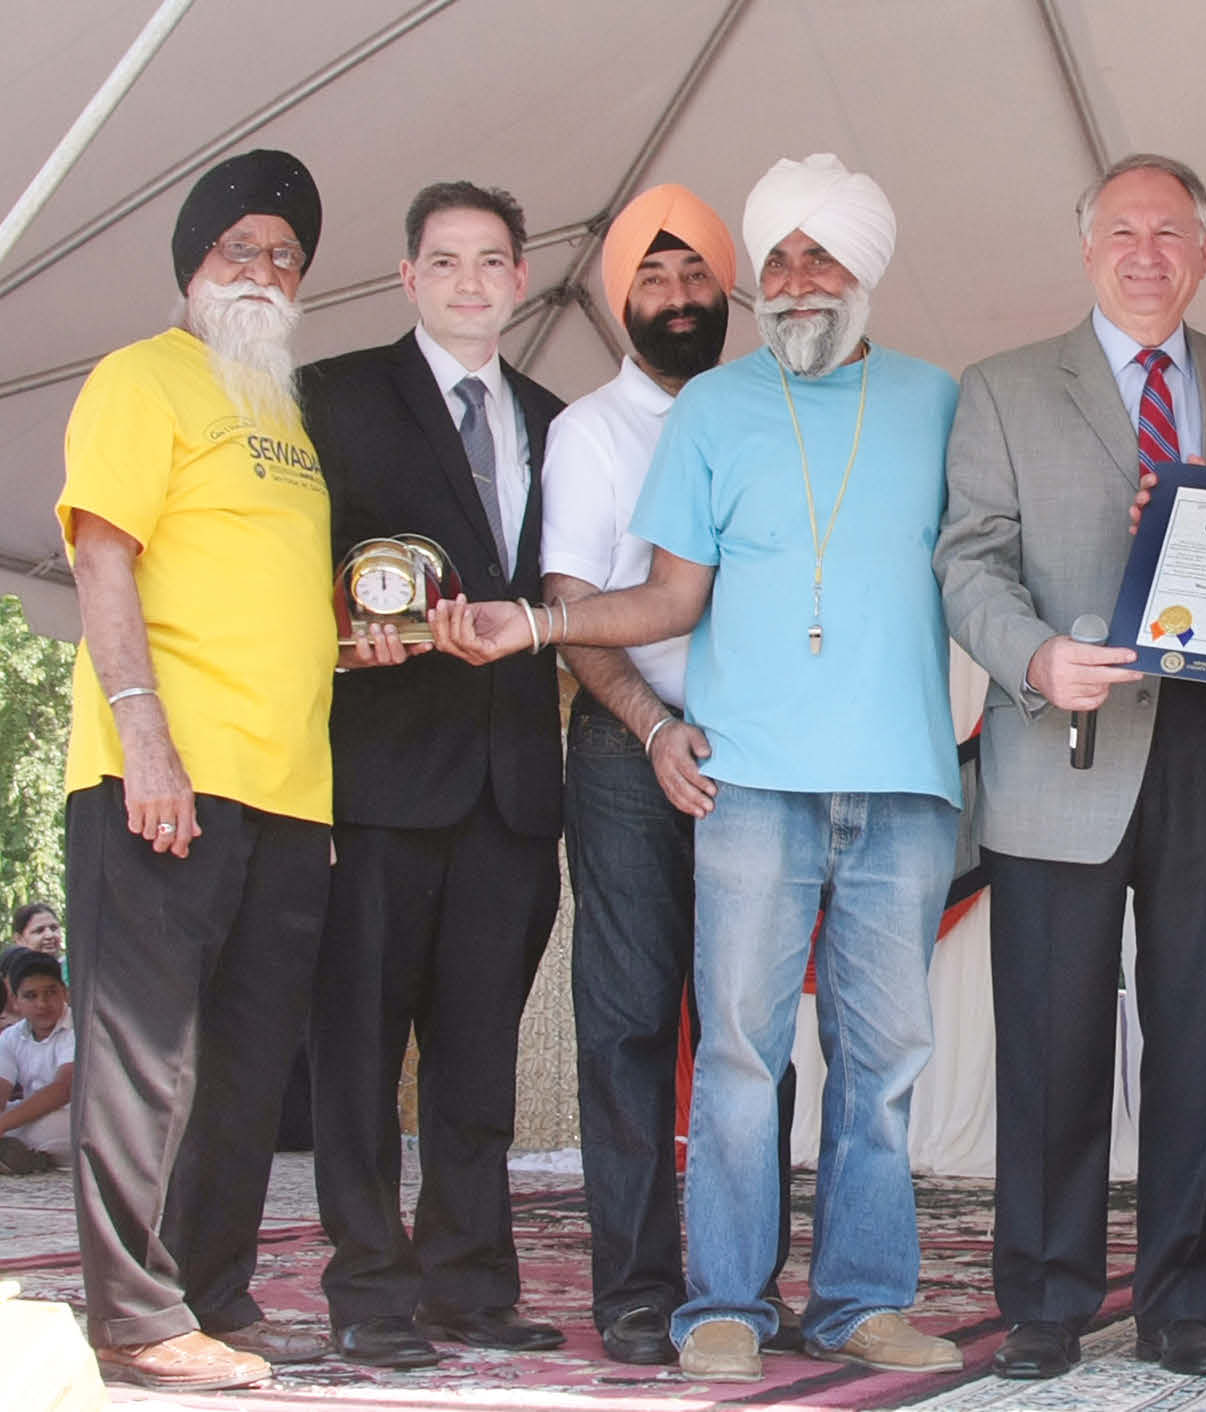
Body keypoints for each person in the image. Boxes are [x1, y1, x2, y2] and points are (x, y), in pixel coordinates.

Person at [432, 152, 964, 1385]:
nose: (792, 280)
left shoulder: (940, 401)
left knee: (883, 1065)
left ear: (864, 272)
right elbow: (670, 595)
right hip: (753, 779)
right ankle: (720, 1297)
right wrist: (537, 623)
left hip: (902, 781)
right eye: (775, 258)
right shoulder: (715, 409)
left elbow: (990, 560)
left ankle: (862, 1300)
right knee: (736, 1053)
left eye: (817, 256)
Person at [934, 153, 1206, 1380]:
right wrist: (1033, 661)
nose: (1148, 254)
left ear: (1204, 252)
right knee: (1051, 1039)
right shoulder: (1002, 387)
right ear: (1085, 247)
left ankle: (1184, 1299)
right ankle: (1043, 1299)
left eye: (1172, 233)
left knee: (1197, 1038)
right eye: (1123, 232)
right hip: (1060, 743)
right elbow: (967, 562)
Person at [57, 149, 380, 1390]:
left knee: (249, 1056)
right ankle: (135, 1319)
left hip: (291, 793)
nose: (265, 270)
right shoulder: (142, 379)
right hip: (163, 775)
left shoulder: (286, 417)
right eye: (240, 248)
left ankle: (216, 1295)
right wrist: (144, 734)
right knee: (148, 1053)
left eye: (286, 256)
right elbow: (100, 556)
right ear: (193, 264)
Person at [298, 182, 566, 1370]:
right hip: (377, 778)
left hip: (511, 785)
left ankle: (468, 1280)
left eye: (491, 260)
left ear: (518, 278)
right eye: (445, 260)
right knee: (359, 1051)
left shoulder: (557, 419)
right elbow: (297, 561)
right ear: (406, 276)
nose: (470, 281)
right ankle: (367, 1288)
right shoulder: (335, 394)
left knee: (477, 1056)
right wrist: (331, 628)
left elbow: (563, 586)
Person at [539, 183, 798, 1363]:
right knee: (632, 1022)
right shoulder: (592, 431)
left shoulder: (775, 409)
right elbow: (575, 610)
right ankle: (638, 1290)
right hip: (629, 748)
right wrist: (651, 726)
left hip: (764, 753)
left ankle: (743, 1283)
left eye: (696, 276)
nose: (679, 298)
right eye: (654, 278)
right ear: (619, 302)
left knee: (752, 1031)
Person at [0, 952, 73, 1174]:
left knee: (52, 1127)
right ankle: (16, 1156)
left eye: (51, 992)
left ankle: (16, 1155)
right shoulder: (11, 1037)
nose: (42, 1003)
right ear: (15, 1001)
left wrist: (2, 1125)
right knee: (21, 1118)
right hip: (30, 1115)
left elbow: (63, 1090)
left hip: (75, 1118)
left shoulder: (80, 1028)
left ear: (64, 991)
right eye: (31, 996)